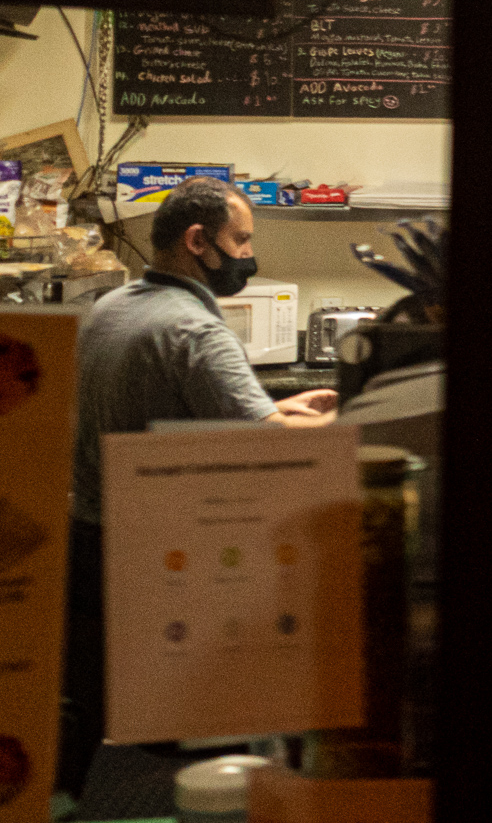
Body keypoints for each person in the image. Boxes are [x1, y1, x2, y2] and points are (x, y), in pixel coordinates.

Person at [57, 176, 336, 807]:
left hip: (91, 547)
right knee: (189, 761)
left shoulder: (112, 307)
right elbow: (270, 449)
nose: (247, 256)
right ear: (196, 240)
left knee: (110, 726)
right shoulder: (196, 331)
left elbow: (180, 415)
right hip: (162, 568)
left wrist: (278, 406)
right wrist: (359, 418)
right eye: (240, 241)